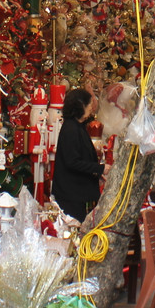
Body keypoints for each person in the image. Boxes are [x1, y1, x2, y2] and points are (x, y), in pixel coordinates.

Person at [50, 88, 104, 222]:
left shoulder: (79, 126)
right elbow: (72, 161)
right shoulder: (71, 129)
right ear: (81, 105)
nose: (92, 107)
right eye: (90, 104)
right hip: (71, 194)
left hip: (78, 193)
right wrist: (99, 168)